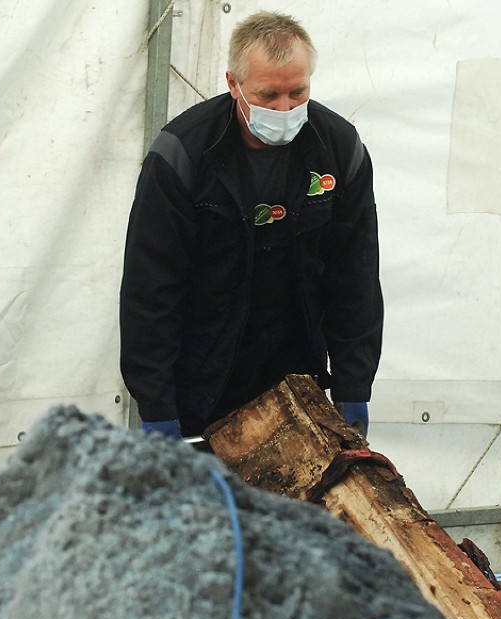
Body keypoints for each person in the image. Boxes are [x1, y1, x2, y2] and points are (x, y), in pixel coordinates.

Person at [119, 11, 383, 440]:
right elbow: (151, 290)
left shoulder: (339, 150)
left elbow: (355, 278)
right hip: (203, 387)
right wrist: (156, 405)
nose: (285, 108)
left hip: (299, 385)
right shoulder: (182, 155)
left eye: (298, 92)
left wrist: (355, 384)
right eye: (268, 95)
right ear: (233, 84)